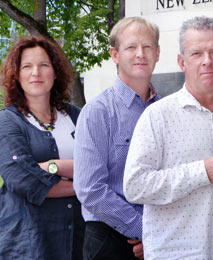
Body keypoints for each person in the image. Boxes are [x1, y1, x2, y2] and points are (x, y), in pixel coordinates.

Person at [123, 16, 213, 259]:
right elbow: (135, 186)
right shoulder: (157, 116)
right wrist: (199, 173)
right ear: (182, 62)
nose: (207, 61)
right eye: (196, 53)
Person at [0, 36, 83, 259]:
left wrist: (52, 166)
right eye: (27, 66)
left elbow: (101, 167)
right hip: (24, 244)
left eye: (44, 65)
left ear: (55, 72)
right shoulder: (7, 121)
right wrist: (83, 186)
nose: (36, 72)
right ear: (16, 75)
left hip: (74, 239)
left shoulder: (77, 116)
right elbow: (23, 180)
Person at [73, 17, 160, 260]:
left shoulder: (166, 111)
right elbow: (90, 190)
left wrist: (156, 234)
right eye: (131, 47)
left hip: (159, 237)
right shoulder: (97, 112)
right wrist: (144, 230)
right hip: (109, 240)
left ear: (158, 52)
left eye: (148, 46)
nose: (140, 54)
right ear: (115, 54)